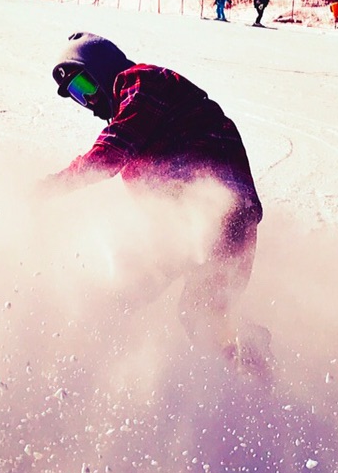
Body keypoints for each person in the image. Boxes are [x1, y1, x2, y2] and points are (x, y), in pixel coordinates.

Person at [47, 33, 268, 374]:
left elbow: (109, 154)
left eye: (86, 86)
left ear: (104, 70)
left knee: (200, 311)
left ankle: (253, 373)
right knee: (161, 303)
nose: (89, 102)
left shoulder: (143, 84)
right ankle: (82, 365)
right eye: (78, 97)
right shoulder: (141, 119)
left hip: (219, 215)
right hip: (188, 226)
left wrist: (48, 189)